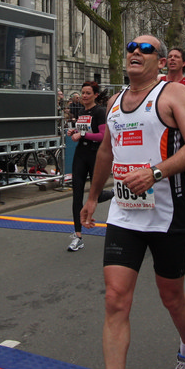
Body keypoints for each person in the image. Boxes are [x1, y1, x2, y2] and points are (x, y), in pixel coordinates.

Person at [80, 36, 185, 369]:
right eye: (132, 47)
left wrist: (155, 173)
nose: (136, 52)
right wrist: (92, 197)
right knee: (115, 299)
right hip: (124, 212)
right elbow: (106, 152)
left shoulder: (172, 94)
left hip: (167, 212)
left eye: (146, 49)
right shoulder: (115, 102)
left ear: (162, 62)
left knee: (172, 298)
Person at [65, 81, 110, 252]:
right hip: (80, 154)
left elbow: (102, 135)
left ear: (95, 95)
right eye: (82, 93)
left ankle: (113, 194)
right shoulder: (82, 112)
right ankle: (78, 236)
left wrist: (82, 134)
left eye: (88, 93)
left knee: (97, 195)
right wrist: (74, 132)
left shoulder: (100, 111)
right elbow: (83, 133)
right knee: (77, 194)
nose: (84, 96)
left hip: (95, 155)